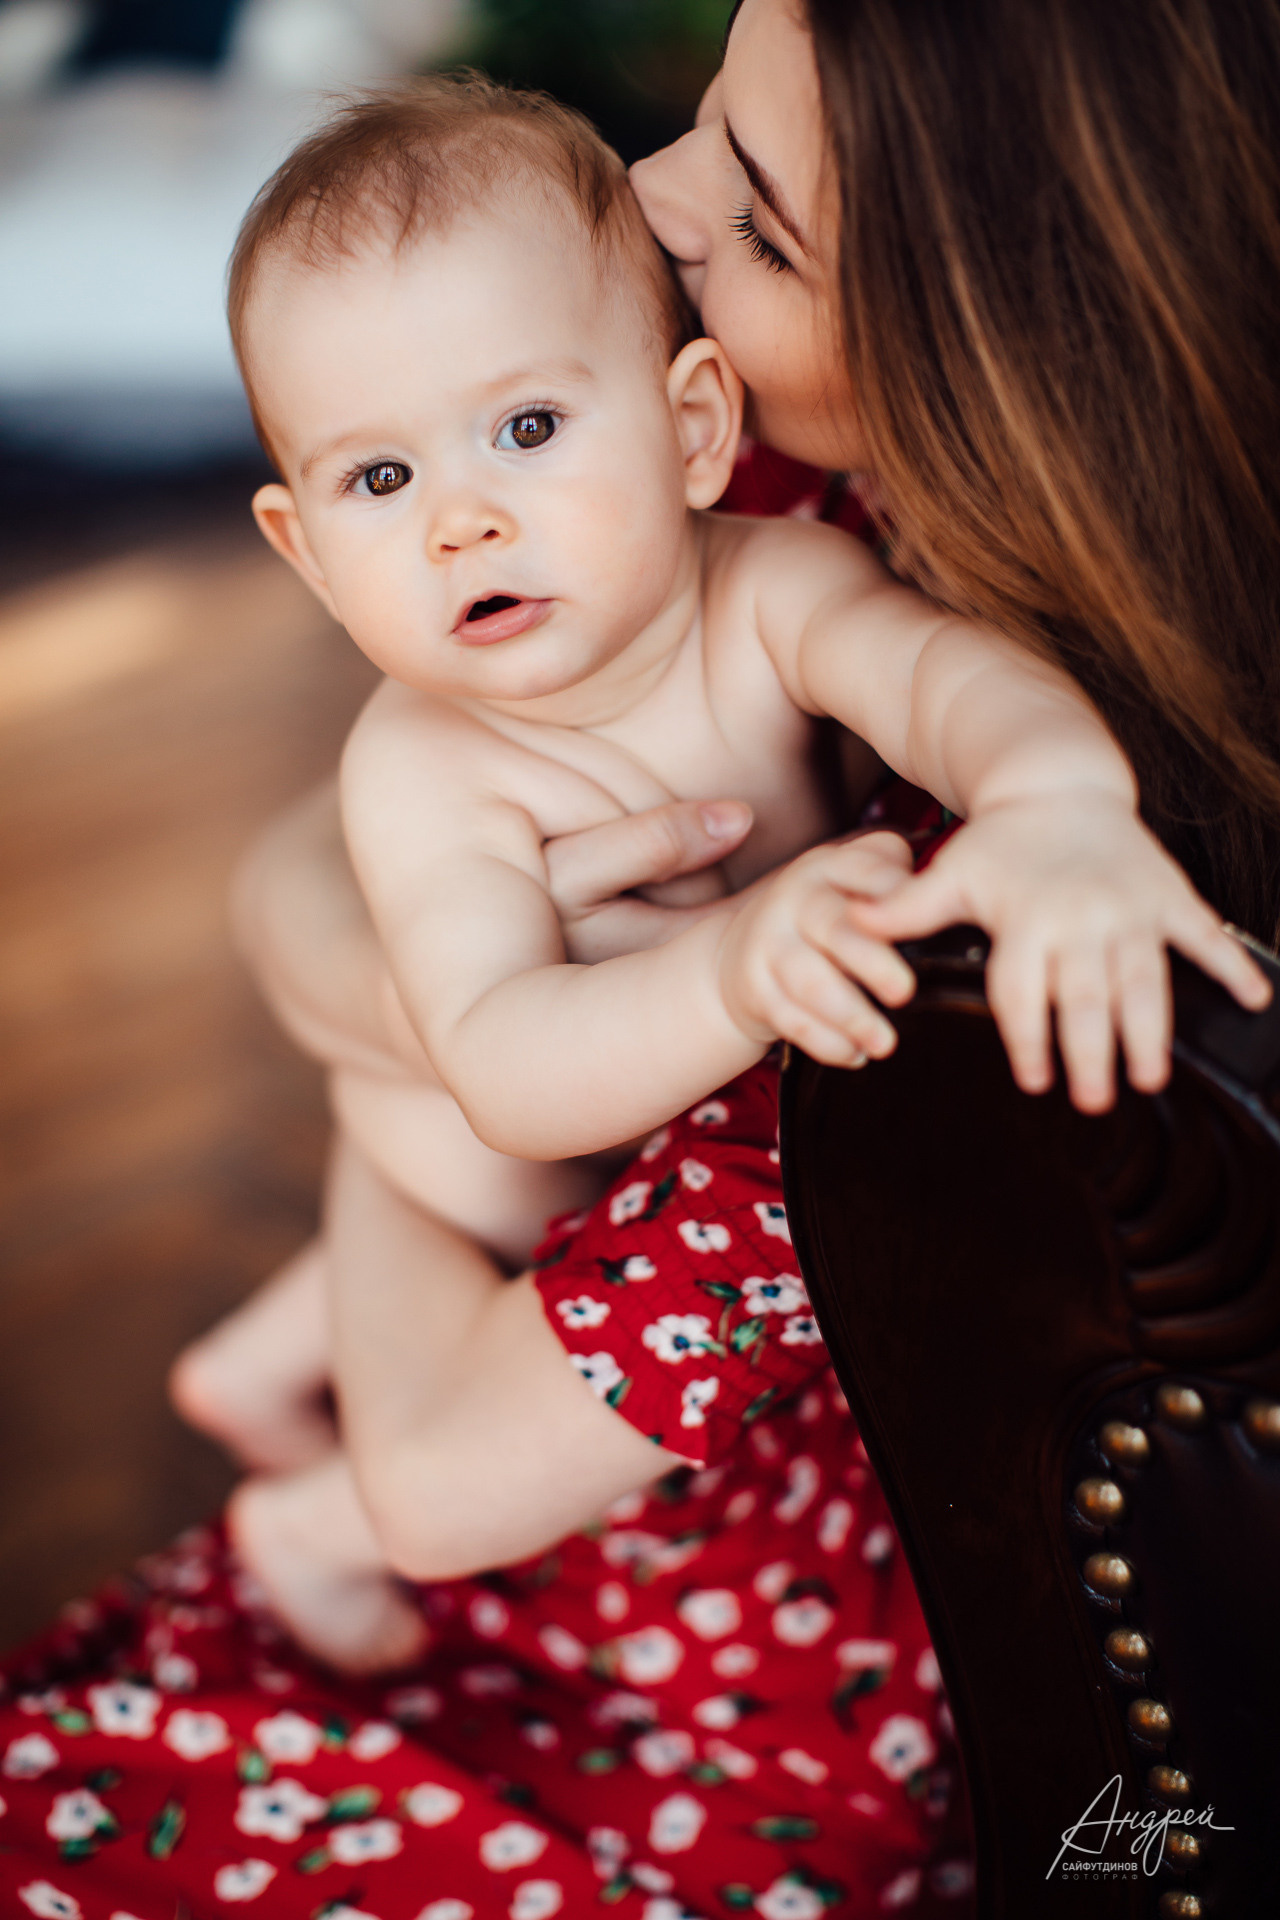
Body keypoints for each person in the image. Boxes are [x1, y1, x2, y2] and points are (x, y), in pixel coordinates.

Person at [3, 4, 1278, 1918]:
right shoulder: (437, 744)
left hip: (596, 1411)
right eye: (378, 486)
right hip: (500, 1177)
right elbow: (498, 1065)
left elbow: (947, 687)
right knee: (427, 1133)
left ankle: (295, 1430)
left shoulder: (769, 577)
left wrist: (1058, 811)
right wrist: (729, 965)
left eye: (524, 427)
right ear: (292, 543)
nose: (468, 516)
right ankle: (289, 1386)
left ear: (689, 424)